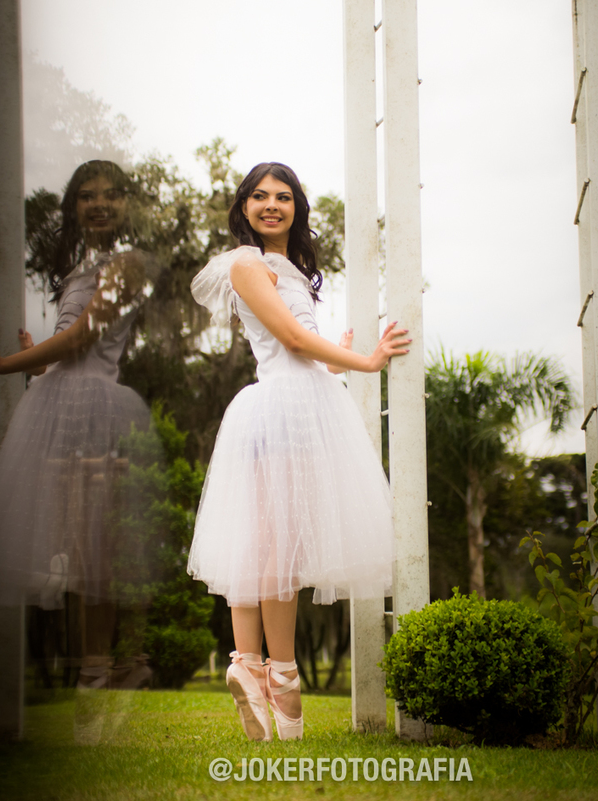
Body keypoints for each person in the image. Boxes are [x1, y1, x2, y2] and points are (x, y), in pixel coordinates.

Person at [188, 162, 409, 741]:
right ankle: (275, 674)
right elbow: (287, 341)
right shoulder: (246, 262)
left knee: (272, 546)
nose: (271, 205)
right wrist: (368, 363)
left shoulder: (292, 269)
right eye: (259, 196)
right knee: (272, 545)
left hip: (297, 404)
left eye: (283, 197)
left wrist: (339, 354)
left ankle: (255, 671)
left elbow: (301, 346)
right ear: (244, 208)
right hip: (281, 412)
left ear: (296, 209)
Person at [0, 160, 152, 714]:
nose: (98, 204)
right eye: (87, 196)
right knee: (76, 544)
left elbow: (82, 340)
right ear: (73, 207)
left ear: (127, 205)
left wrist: (5, 363)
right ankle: (108, 667)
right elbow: (73, 342)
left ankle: (107, 669)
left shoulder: (128, 264)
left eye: (111, 196)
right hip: (63, 405)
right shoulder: (82, 265)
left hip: (92, 407)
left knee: (96, 548)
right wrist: (37, 364)